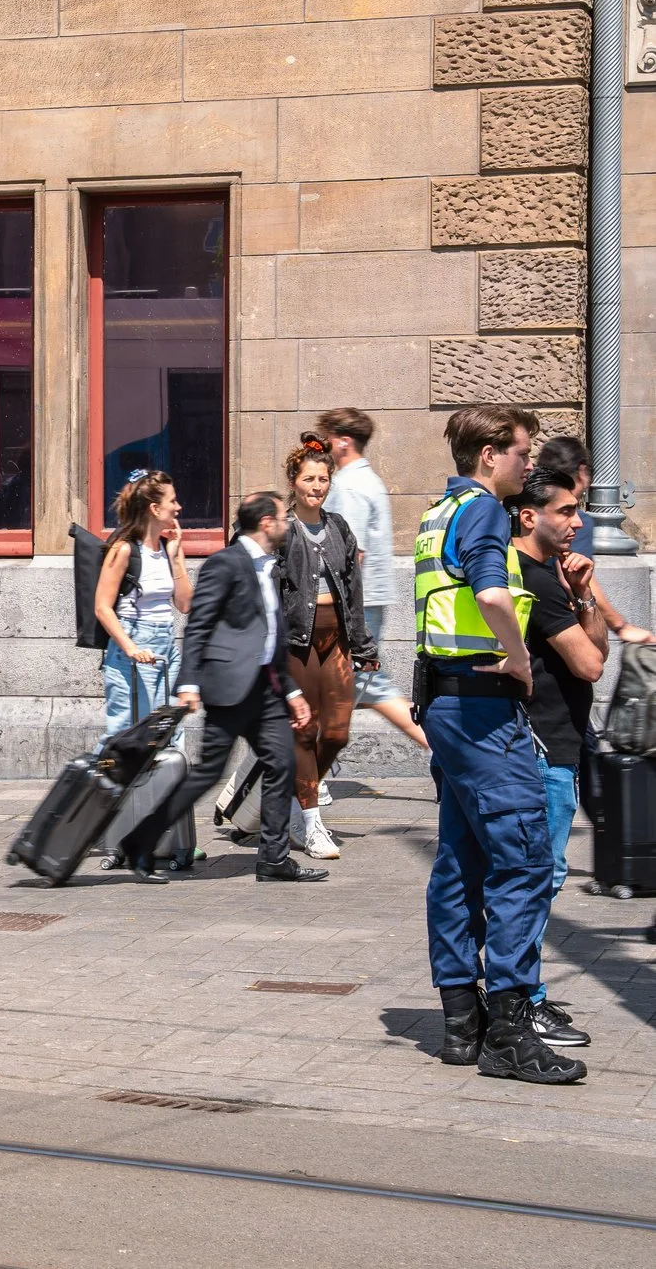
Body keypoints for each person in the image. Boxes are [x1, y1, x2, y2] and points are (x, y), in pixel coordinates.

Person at [413, 405, 582, 1084]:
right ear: (488, 454)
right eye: (521, 451)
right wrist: (518, 657)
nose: (528, 463)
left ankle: (462, 1020)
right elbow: (489, 594)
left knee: (459, 859)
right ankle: (510, 1027)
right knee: (524, 858)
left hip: (448, 704)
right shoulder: (483, 512)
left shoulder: (437, 513)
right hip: (484, 713)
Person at [118, 492, 321, 885]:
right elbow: (199, 624)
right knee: (207, 773)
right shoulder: (224, 564)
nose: (287, 525)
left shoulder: (271, 567)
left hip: (265, 688)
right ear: (265, 523)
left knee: (282, 763)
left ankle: (274, 860)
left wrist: (292, 692)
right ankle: (138, 844)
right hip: (228, 687)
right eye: (283, 518)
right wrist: (189, 682)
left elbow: (270, 636)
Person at [509, 468, 601, 1052]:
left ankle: (525, 993)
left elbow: (597, 650)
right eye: (566, 511)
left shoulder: (551, 576)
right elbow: (590, 665)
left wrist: (587, 595)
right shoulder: (534, 580)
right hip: (544, 745)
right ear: (529, 516)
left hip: (557, 742)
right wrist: (576, 600)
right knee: (538, 877)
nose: (578, 521)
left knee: (540, 875)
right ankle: (526, 1001)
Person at [279, 435, 378, 862]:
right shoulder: (281, 529)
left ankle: (297, 799)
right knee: (306, 730)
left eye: (322, 479)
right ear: (293, 481)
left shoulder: (338, 527)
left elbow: (354, 590)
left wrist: (362, 644)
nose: (316, 487)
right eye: (308, 479)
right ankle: (311, 824)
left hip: (335, 639)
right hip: (295, 643)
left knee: (336, 733)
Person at [93, 471, 191, 741]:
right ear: (154, 508)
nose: (178, 507)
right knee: (127, 738)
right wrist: (131, 649)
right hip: (134, 645)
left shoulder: (169, 547)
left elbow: (184, 604)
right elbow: (102, 607)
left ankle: (165, 783)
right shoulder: (124, 549)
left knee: (168, 733)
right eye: (173, 501)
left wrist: (176, 559)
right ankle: (99, 783)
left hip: (167, 647)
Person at [531, 435, 653, 644]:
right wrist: (621, 626)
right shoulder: (577, 522)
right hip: (561, 628)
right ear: (582, 470)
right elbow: (576, 575)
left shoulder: (523, 510)